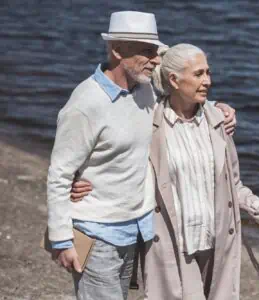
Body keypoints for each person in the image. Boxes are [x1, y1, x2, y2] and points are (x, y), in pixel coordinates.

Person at [47, 12, 235, 300]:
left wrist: (219, 108)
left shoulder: (144, 89)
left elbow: (183, 89)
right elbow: (59, 173)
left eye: (156, 52)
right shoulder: (86, 104)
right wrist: (61, 240)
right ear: (118, 51)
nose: (156, 59)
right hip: (95, 233)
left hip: (135, 230)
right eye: (148, 51)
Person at [143, 43, 259, 300]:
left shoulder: (218, 123)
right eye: (198, 74)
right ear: (174, 80)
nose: (207, 81)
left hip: (218, 243)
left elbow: (232, 185)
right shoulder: (151, 125)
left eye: (208, 73)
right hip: (176, 245)